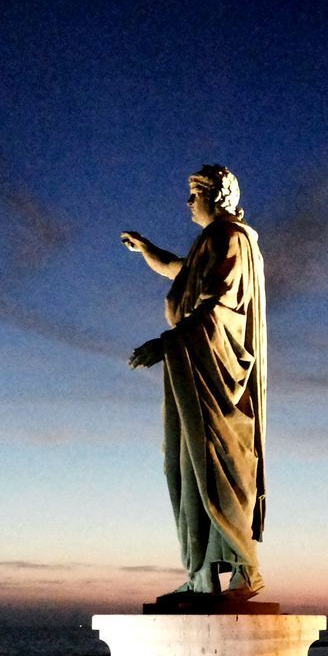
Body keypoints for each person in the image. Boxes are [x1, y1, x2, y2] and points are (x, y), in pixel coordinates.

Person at [122, 165, 267, 599]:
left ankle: (245, 571)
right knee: (186, 467)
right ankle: (202, 575)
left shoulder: (230, 238)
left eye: (194, 193)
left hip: (216, 372)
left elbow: (219, 303)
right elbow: (178, 269)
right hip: (195, 367)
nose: (188, 203)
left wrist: (166, 343)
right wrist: (147, 249)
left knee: (218, 466)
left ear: (215, 196)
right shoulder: (212, 241)